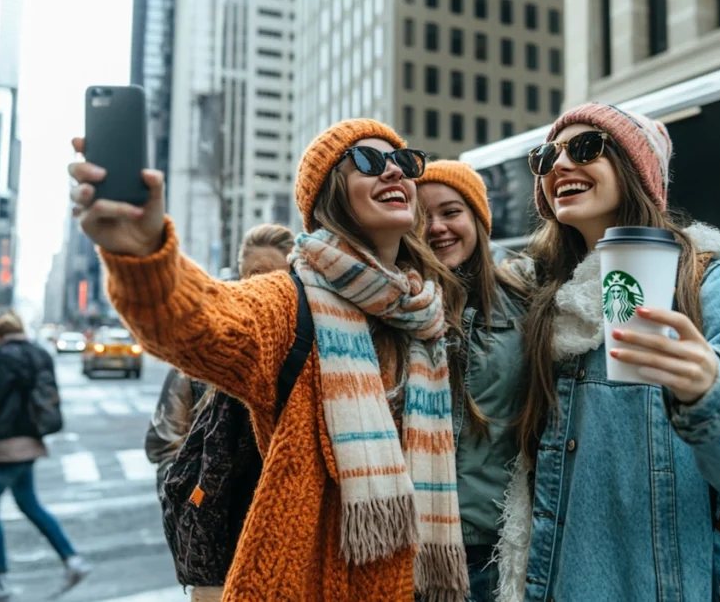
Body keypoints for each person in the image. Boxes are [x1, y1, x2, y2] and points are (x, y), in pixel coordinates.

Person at [70, 119, 471, 601]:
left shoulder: (426, 313)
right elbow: (196, 322)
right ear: (328, 197)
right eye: (368, 161)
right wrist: (144, 254)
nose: (393, 173)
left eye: (404, 162)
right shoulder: (289, 302)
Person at [495, 104, 720, 601]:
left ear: (635, 169)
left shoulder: (708, 284)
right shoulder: (539, 299)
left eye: (585, 148)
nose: (558, 166)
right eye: (545, 156)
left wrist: (709, 391)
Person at [417, 161, 528, 602]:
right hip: (409, 548)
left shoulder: (527, 309)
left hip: (490, 553)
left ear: (479, 221)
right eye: (422, 217)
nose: (438, 227)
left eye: (451, 212)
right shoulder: (392, 308)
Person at [145, 222, 296, 486]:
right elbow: (166, 443)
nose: (263, 287)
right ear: (241, 277)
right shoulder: (204, 347)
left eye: (276, 278)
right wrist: (187, 509)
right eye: (255, 274)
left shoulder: (305, 349)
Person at [0, 313, 89, 602]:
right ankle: (72, 561)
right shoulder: (39, 353)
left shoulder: (7, 355)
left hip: (10, 442)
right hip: (32, 437)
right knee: (28, 503)